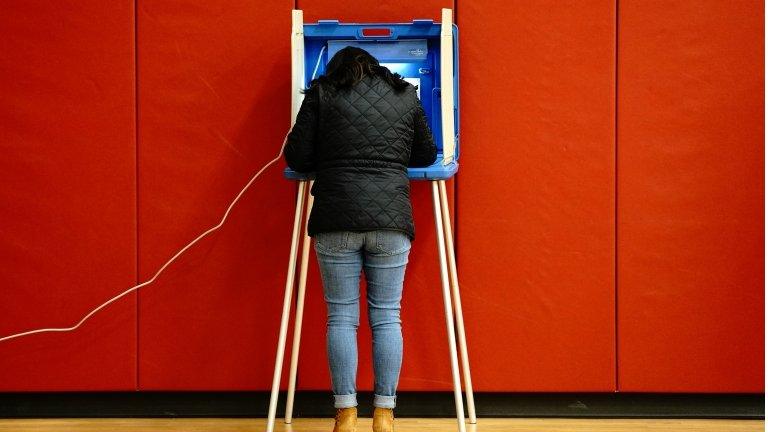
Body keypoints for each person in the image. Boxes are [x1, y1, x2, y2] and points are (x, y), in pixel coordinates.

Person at [284, 45, 437, 432]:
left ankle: (346, 414)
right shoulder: (406, 93)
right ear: (376, 67)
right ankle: (384, 414)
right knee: (387, 317)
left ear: (335, 69)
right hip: (391, 222)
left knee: (341, 318)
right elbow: (425, 152)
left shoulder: (322, 92)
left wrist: (332, 157)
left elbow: (297, 158)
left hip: (336, 218)